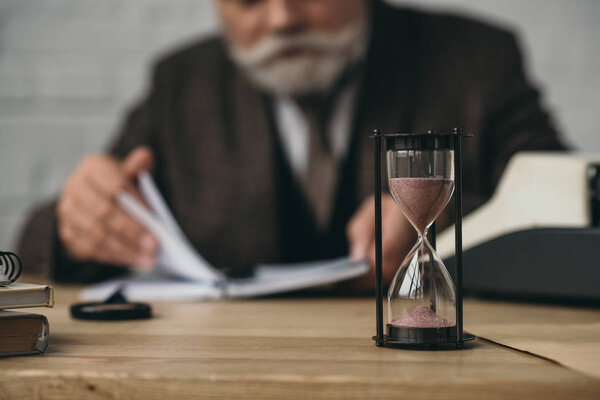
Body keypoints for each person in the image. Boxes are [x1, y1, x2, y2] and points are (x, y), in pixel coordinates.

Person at [17, 0, 564, 290]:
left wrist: (433, 222)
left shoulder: (475, 60)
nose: (282, 18)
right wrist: (77, 224)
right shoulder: (182, 83)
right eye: (249, 0)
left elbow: (570, 207)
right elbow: (38, 237)